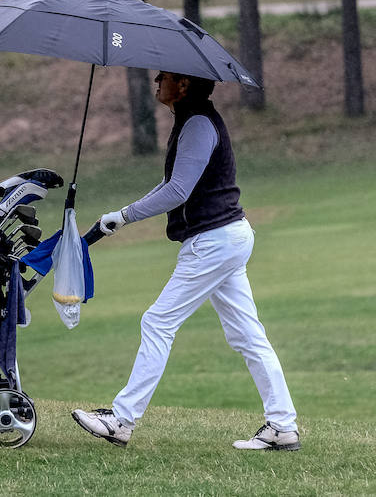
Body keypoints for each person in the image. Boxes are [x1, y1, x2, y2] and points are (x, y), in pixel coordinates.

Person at [71, 70, 300, 451]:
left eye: (165, 76)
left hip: (213, 241)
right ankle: (282, 426)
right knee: (247, 336)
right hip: (226, 237)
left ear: (184, 85)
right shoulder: (192, 120)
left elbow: (178, 191)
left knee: (158, 321)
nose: (156, 80)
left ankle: (122, 420)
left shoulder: (196, 123)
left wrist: (126, 215)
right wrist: (121, 215)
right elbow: (173, 183)